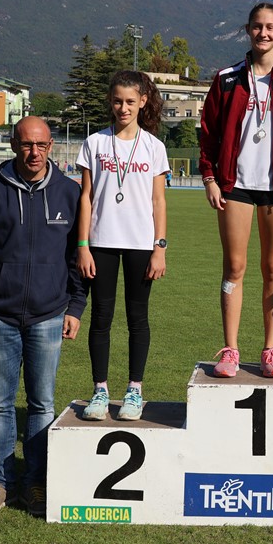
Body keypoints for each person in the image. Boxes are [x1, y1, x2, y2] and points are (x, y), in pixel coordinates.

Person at [0, 116, 86, 517]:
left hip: (49, 316)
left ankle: (35, 482)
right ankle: (1, 482)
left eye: (42, 145)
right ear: (13, 144)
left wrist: (76, 307)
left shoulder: (69, 192)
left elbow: (79, 256)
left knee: (42, 404)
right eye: (27, 144)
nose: (34, 153)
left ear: (51, 147)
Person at [199, 2, 273, 378]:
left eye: (269, 27)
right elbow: (208, 135)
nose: (263, 33)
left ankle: (270, 350)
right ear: (247, 30)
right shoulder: (226, 79)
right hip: (234, 186)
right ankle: (230, 350)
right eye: (256, 26)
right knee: (234, 266)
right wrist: (209, 178)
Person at [75, 70, 169, 422]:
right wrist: (82, 245)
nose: (123, 108)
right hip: (100, 242)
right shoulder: (95, 143)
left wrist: (160, 247)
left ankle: (134, 390)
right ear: (110, 102)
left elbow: (159, 201)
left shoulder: (154, 147)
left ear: (143, 101)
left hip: (141, 244)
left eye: (130, 101)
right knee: (101, 316)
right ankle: (100, 390)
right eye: (117, 101)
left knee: (137, 318)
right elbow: (85, 197)